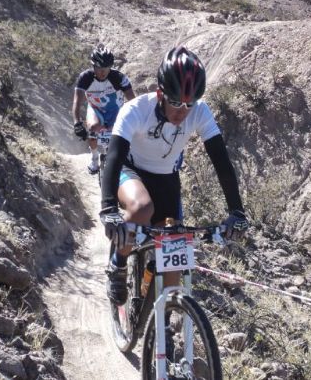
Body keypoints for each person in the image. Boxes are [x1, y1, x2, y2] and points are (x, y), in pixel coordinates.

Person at [98, 46, 249, 305]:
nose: (182, 112)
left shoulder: (200, 111)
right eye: (176, 103)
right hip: (129, 169)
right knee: (142, 208)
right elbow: (114, 157)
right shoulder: (136, 110)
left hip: (166, 179)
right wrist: (109, 209)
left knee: (174, 264)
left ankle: (164, 319)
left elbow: (222, 162)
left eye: (189, 104)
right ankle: (118, 263)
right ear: (160, 94)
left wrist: (237, 211)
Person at [72, 45, 135, 174]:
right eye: (99, 68)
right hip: (96, 109)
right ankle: (94, 158)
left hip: (116, 110)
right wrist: (77, 123)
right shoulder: (85, 78)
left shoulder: (119, 77)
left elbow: (133, 101)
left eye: (106, 68)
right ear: (93, 66)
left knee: (123, 137)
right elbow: (77, 102)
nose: (103, 72)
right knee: (93, 128)